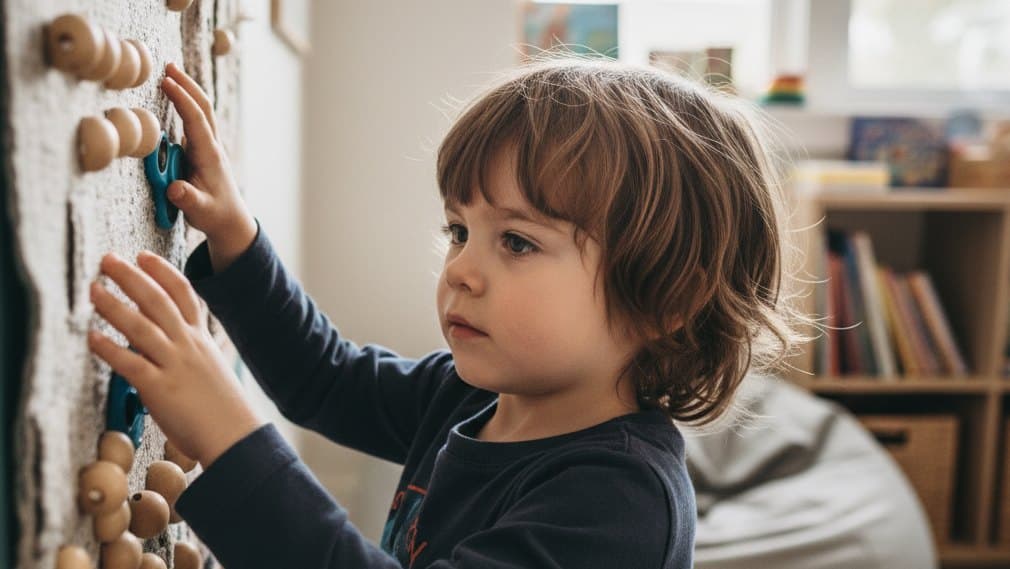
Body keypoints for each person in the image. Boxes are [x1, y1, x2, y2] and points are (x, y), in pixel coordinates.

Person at [87, 56, 811, 568]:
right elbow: (328, 380)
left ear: (665, 301)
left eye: (518, 242)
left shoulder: (619, 502)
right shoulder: (475, 394)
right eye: (460, 231)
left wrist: (231, 437)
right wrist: (236, 237)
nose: (462, 269)